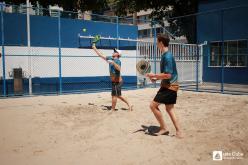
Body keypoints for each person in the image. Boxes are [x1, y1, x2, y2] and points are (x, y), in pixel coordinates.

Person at [146, 34, 183, 138]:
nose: (156, 44)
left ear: (161, 42)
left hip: (169, 87)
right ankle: (179, 131)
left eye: (157, 42)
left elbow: (168, 75)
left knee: (153, 106)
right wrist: (155, 78)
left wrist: (154, 75)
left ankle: (164, 128)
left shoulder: (167, 56)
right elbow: (166, 74)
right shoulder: (165, 55)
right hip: (169, 85)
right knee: (169, 109)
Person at [92, 44, 133, 112]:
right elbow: (101, 55)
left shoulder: (117, 61)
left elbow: (119, 68)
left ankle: (113, 109)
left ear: (118, 54)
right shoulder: (110, 58)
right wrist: (94, 48)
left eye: (115, 51)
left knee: (114, 95)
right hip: (114, 82)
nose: (113, 52)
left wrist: (113, 63)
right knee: (117, 96)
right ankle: (129, 105)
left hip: (118, 82)